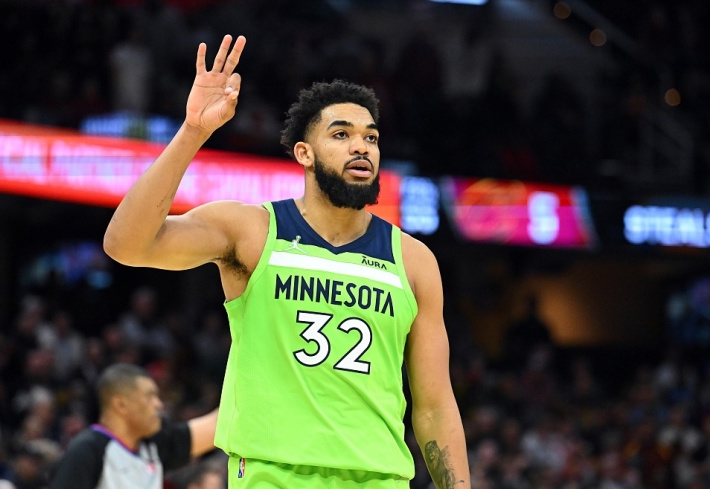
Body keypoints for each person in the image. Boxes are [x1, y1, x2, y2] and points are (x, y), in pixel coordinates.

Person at [103, 34, 471, 488]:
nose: (362, 147)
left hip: (379, 479)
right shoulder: (252, 231)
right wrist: (193, 132)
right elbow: (126, 245)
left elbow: (434, 407)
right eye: (341, 135)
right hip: (271, 476)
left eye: (371, 138)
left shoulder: (413, 261)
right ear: (304, 153)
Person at [47, 363, 217, 489]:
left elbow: (217, 426)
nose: (158, 404)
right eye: (149, 397)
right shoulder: (87, 451)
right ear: (121, 405)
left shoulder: (154, 445)